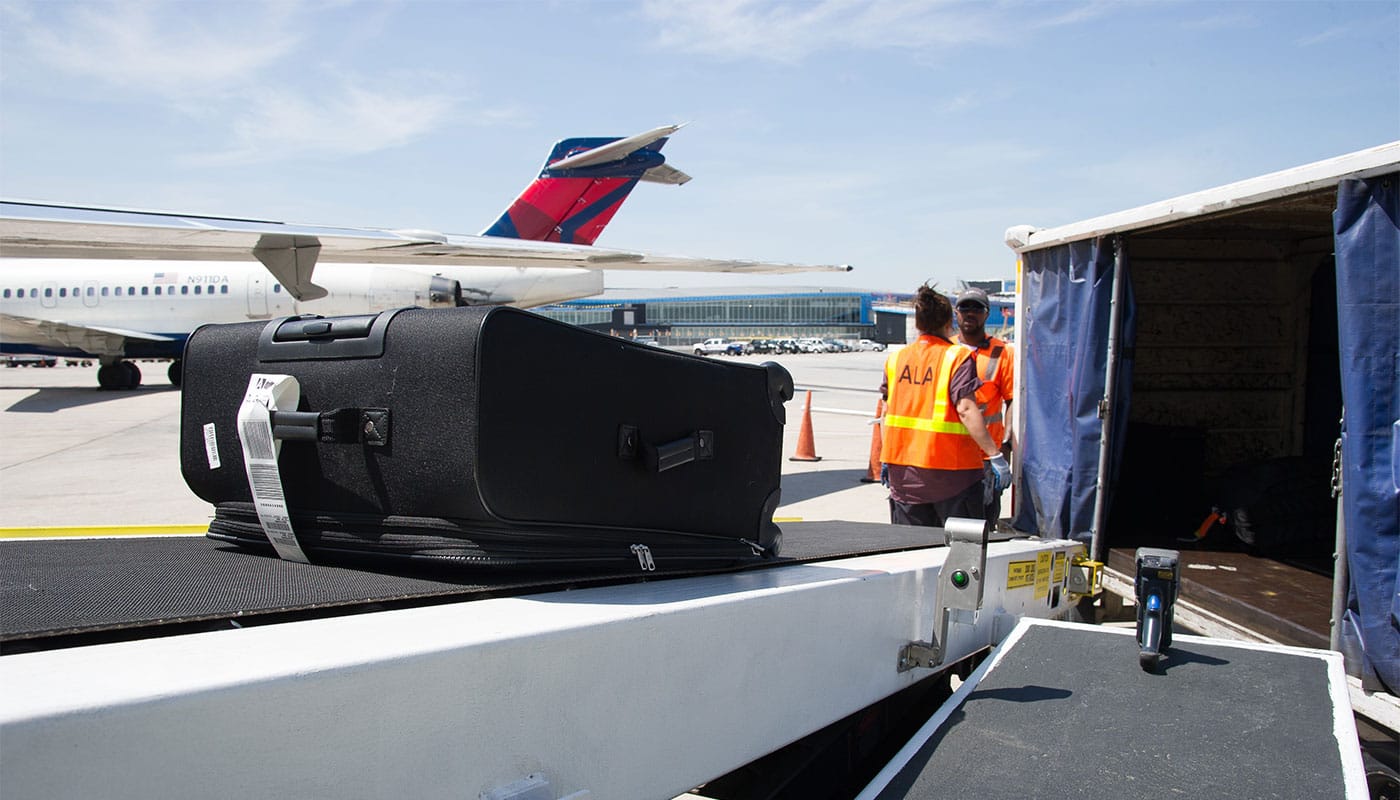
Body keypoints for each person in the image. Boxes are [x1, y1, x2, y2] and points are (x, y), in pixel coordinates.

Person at [880, 285, 1011, 529]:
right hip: (953, 474)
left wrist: (885, 458)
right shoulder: (956, 357)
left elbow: (886, 414)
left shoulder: (896, 359)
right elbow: (966, 409)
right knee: (960, 552)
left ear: (918, 323)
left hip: (904, 476)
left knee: (910, 552)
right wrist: (995, 454)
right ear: (949, 322)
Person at [954, 287, 1015, 530]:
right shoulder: (946, 349)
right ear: (956, 313)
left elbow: (1011, 400)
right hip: (951, 457)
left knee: (983, 528)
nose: (971, 313)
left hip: (987, 460)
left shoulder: (1001, 352)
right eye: (965, 307)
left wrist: (1006, 445)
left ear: (987, 313)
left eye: (977, 308)